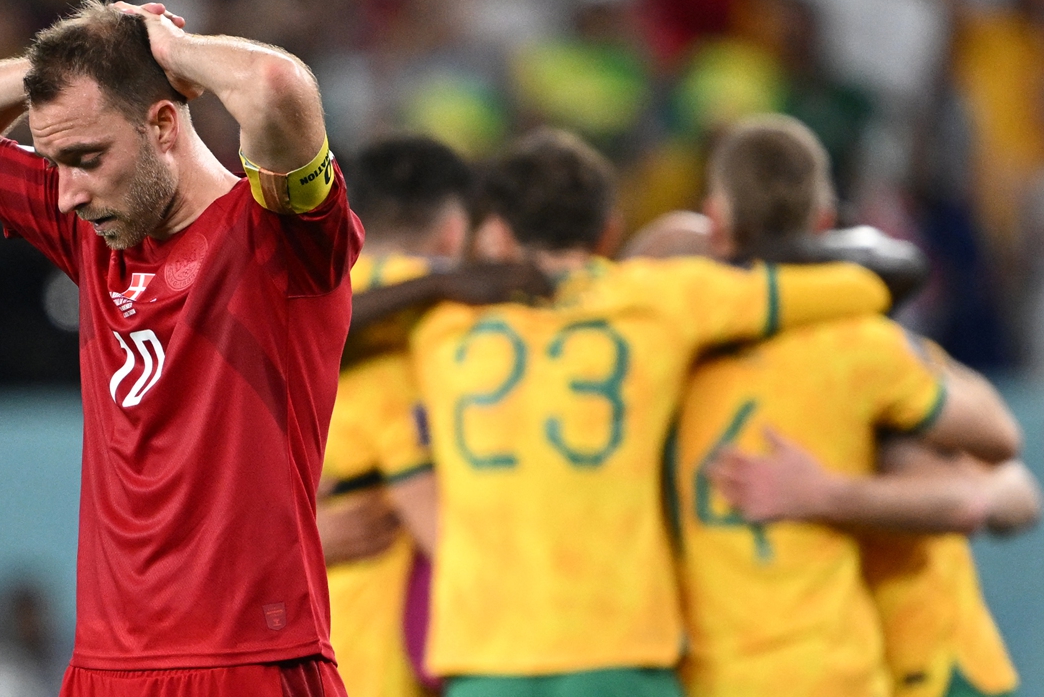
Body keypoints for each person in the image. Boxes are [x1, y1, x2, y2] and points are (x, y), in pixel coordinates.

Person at [0, 0, 362, 697]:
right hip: (103, 667)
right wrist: (67, 63)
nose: (65, 195)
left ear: (163, 123)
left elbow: (273, 85)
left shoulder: (281, 240)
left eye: (85, 158)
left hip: (246, 661)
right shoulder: (96, 234)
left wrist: (167, 48)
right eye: (57, 162)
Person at [407, 128, 895, 697]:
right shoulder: (662, 298)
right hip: (622, 648)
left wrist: (446, 281)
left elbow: (328, 321)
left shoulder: (436, 326)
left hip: (485, 655)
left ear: (498, 237)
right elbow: (859, 288)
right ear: (610, 232)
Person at [666, 114, 1028, 697]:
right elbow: (997, 465)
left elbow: (990, 494)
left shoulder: (675, 355)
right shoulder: (861, 338)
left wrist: (828, 494)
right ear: (826, 222)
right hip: (852, 667)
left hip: (913, 665)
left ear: (717, 224)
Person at [319, 135, 471, 697]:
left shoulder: (285, 309)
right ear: (454, 230)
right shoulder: (437, 327)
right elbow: (442, 533)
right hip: (377, 665)